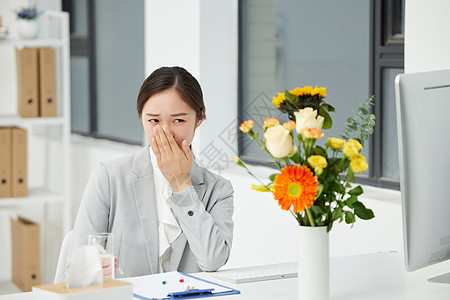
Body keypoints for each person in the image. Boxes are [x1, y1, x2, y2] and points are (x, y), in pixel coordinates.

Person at [67, 66, 234, 278]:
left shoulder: (218, 190)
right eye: (154, 120)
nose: (164, 132)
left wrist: (182, 185)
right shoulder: (109, 177)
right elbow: (74, 271)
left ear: (199, 119)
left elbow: (213, 260)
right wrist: (91, 270)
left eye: (179, 121)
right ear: (141, 118)